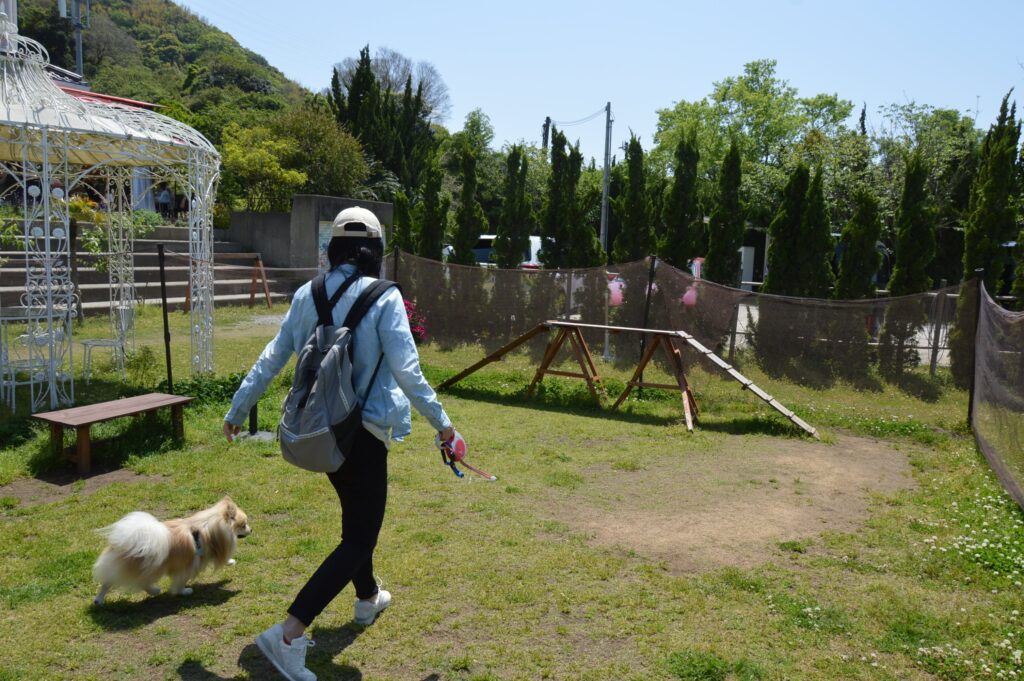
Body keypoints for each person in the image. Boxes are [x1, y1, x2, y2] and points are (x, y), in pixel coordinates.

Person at [223, 206, 455, 681]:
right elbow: (408, 371)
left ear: (333, 248)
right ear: (375, 249)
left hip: (323, 430)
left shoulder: (307, 294)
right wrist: (444, 426)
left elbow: (273, 355)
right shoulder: (385, 297)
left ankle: (368, 597)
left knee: (356, 523)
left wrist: (238, 407)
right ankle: (289, 633)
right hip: (364, 434)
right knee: (360, 536)